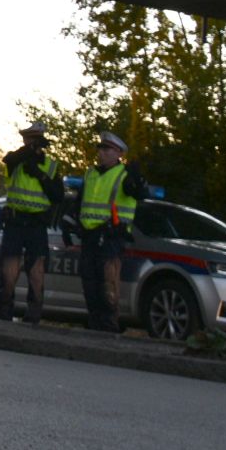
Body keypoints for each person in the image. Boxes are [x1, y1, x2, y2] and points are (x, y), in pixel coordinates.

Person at [70, 131, 148, 333]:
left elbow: (140, 194)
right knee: (90, 284)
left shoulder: (124, 176)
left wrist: (136, 178)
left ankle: (108, 328)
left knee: (108, 285)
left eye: (107, 149)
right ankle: (95, 325)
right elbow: (80, 203)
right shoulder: (91, 174)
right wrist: (70, 224)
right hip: (89, 236)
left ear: (118, 153)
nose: (102, 153)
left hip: (111, 238)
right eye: (101, 149)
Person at [0, 122, 63, 324]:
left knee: (37, 272)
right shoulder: (16, 161)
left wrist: (40, 175)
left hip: (36, 225)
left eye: (34, 141)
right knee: (9, 271)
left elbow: (57, 195)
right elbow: (9, 160)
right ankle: (4, 313)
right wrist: (27, 154)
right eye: (28, 140)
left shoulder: (50, 166)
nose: (31, 144)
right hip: (15, 222)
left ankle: (33, 316)